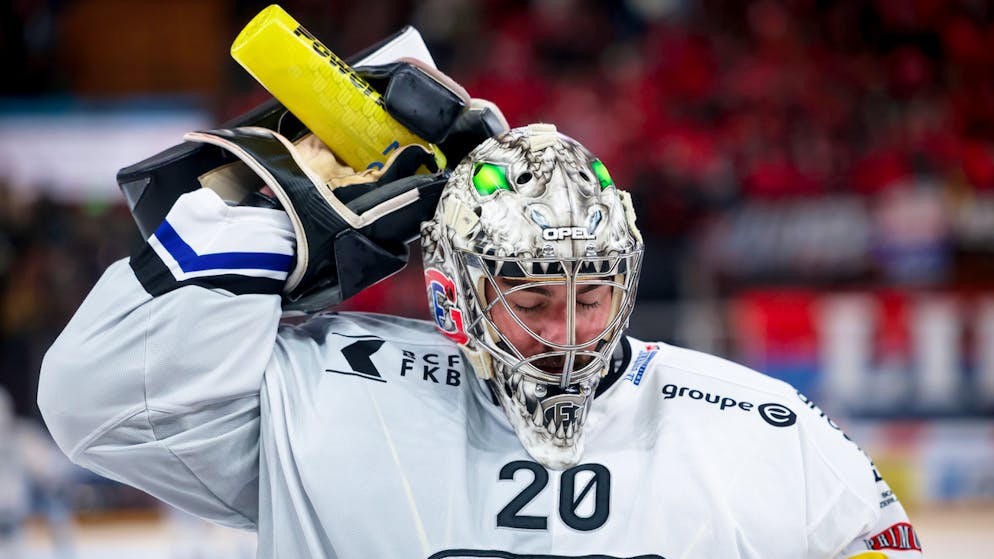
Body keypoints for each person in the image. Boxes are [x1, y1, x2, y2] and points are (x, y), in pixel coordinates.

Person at [38, 119, 923, 558]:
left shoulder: (765, 424)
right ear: (456, 289)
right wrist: (272, 206)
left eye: (591, 296)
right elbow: (96, 399)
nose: (567, 335)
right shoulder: (321, 388)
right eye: (532, 299)